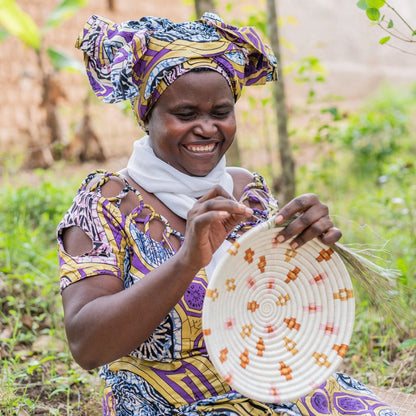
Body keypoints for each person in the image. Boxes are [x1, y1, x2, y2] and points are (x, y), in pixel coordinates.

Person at [57, 12, 401, 416]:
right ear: (145, 115)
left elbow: (279, 309)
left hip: (271, 382)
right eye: (185, 115)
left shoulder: (246, 192)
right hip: (164, 399)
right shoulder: (109, 201)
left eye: (220, 112)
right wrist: (187, 262)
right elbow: (86, 345)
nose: (207, 128)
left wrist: (307, 253)